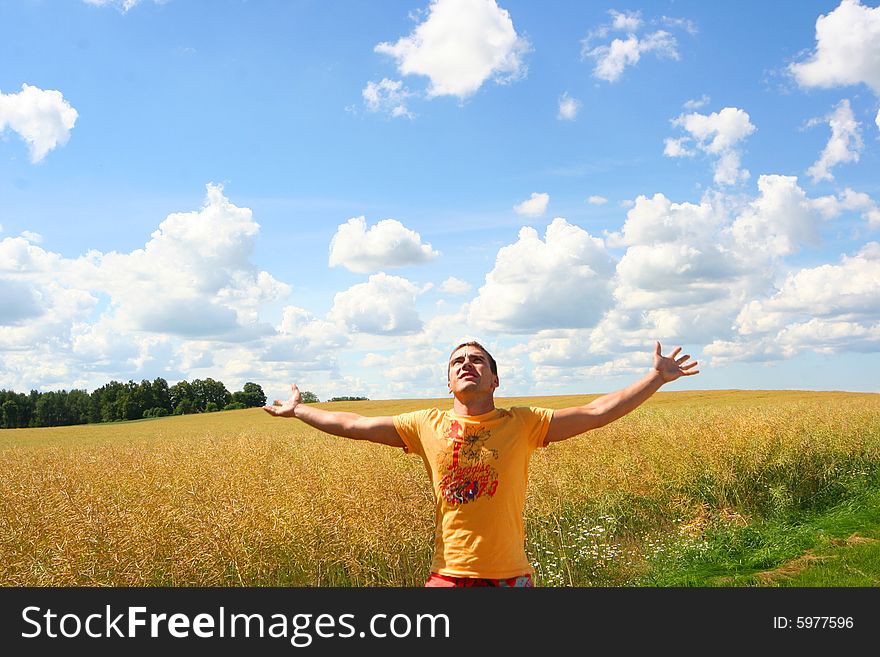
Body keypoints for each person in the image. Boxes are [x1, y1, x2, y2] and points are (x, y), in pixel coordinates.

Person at [263, 340, 699, 587]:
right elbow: (352, 423)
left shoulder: (524, 423)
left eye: (477, 360)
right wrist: (299, 411)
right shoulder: (424, 425)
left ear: (494, 379)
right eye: (457, 362)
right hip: (447, 577)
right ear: (449, 382)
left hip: (510, 577)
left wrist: (656, 377)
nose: (466, 364)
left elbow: (598, 411)